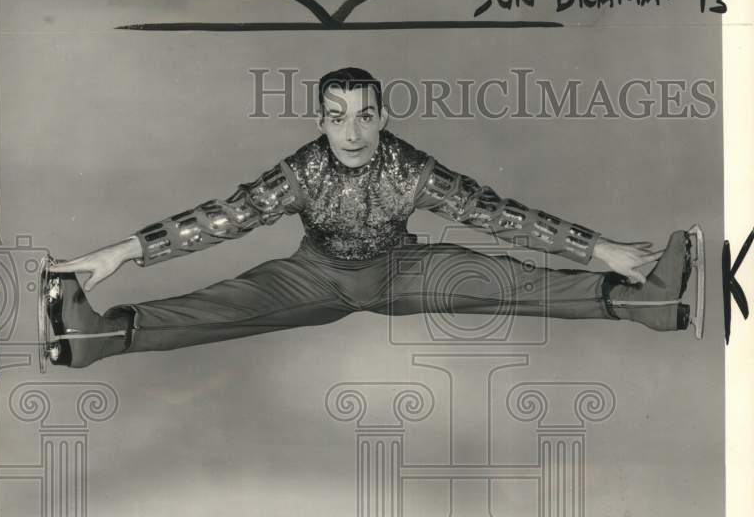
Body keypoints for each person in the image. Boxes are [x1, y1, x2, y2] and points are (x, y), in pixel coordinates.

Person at [45, 66, 694, 368]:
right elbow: (225, 217)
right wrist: (121, 252)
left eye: (364, 115)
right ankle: (93, 338)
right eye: (337, 116)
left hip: (399, 270)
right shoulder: (301, 171)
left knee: (509, 278)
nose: (351, 131)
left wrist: (600, 249)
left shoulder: (411, 169)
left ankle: (648, 304)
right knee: (221, 304)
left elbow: (499, 215)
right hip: (314, 276)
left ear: (381, 117)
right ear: (320, 121)